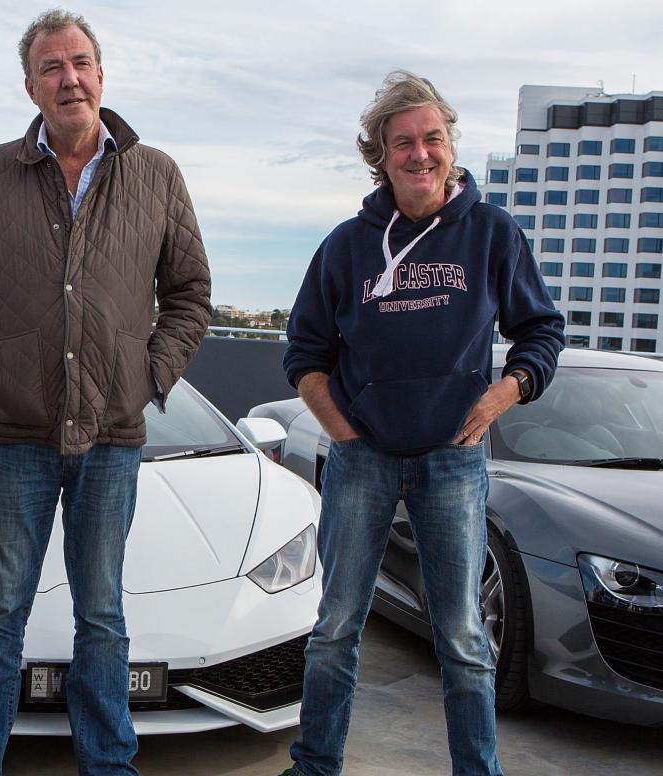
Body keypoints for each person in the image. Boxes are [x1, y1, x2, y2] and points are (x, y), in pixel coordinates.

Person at [0, 9, 211, 775]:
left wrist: (149, 376)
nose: (69, 78)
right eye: (51, 67)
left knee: (104, 618)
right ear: (30, 86)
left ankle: (107, 765)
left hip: (113, 437)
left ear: (102, 75)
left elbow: (190, 294)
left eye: (80, 62)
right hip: (15, 436)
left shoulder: (156, 174)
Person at [278, 71, 564, 776]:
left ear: (450, 144)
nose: (421, 153)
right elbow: (304, 352)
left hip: (452, 461)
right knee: (336, 627)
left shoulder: (494, 233)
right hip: (363, 460)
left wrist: (504, 395)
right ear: (380, 155)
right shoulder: (347, 245)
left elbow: (541, 331)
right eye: (403, 142)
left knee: (464, 634)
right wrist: (342, 432)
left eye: (433, 138)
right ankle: (316, 765)